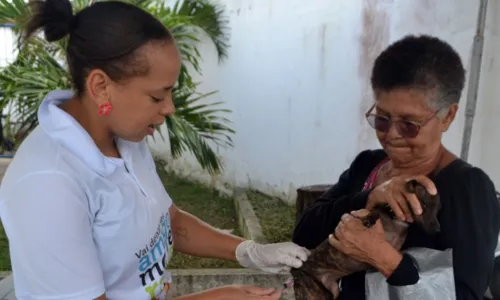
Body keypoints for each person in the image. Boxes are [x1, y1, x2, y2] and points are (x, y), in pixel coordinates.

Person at [0, 0, 311, 299]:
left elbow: (167, 221)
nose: (170, 109)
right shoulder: (47, 184)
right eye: (157, 96)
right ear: (100, 87)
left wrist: (248, 252)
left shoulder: (123, 137)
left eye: (170, 92)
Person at [292, 34, 500, 300]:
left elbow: (466, 294)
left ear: (447, 116)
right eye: (381, 119)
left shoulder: (468, 189)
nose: (391, 135)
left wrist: (385, 259)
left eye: (409, 124)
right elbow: (304, 232)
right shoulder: (369, 164)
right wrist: (368, 197)